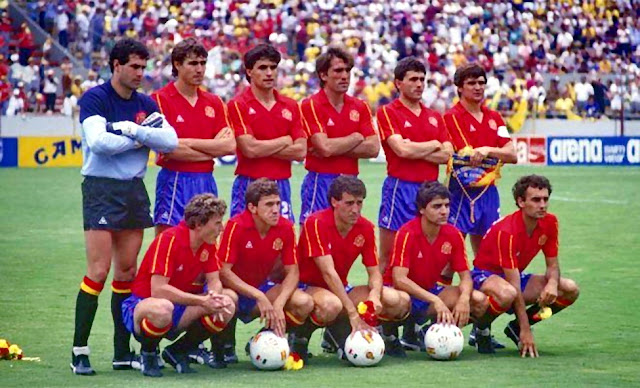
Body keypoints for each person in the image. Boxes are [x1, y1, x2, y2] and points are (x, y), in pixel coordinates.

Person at [71, 38, 178, 376]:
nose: (140, 73)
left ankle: (121, 351)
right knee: (98, 272)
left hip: (133, 189)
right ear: (116, 65)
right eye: (134, 66)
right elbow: (99, 143)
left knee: (127, 273)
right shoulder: (95, 98)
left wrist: (132, 130)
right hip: (101, 189)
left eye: (144, 67)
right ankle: (79, 351)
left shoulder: (146, 102)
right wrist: (141, 137)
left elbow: (170, 142)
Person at [376, 57, 452, 350]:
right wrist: (430, 147)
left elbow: (446, 153)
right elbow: (400, 149)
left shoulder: (435, 116)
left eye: (422, 79)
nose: (419, 85)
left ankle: (413, 326)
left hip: (430, 191)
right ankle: (385, 325)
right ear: (398, 83)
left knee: (428, 257)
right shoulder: (388, 112)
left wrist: (423, 149)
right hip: (399, 189)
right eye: (412, 79)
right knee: (390, 258)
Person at [293, 176, 411, 361]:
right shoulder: (316, 223)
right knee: (331, 305)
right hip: (307, 286)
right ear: (334, 202)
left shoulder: (365, 227)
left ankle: (386, 337)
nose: (355, 209)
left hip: (340, 289)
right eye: (349, 203)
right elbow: (328, 273)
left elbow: (374, 272)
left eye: (359, 203)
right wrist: (353, 312)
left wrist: (374, 294)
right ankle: (300, 337)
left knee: (398, 300)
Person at [442, 63, 517, 348]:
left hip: (488, 194)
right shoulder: (450, 117)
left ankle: (482, 329)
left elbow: (510, 153)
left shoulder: (494, 116)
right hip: (460, 195)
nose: (478, 87)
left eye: (482, 83)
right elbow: (451, 153)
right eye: (472, 83)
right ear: (459, 87)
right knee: (448, 259)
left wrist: (487, 150)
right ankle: (440, 321)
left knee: (488, 259)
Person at [123, 194, 236, 377]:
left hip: (181, 306)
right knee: (163, 308)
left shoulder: (208, 243)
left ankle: (178, 351)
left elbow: (214, 280)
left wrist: (214, 296)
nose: (221, 228)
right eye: (217, 223)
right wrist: (201, 301)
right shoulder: (169, 240)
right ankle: (149, 353)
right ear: (199, 224)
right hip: (143, 304)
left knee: (227, 304)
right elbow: (158, 290)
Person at [470, 175, 580, 356]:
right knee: (507, 293)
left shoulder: (550, 222)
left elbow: (553, 266)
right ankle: (482, 329)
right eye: (536, 200)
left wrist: (552, 284)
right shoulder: (507, 231)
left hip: (514, 277)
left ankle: (515, 327)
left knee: (569, 289)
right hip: (485, 276)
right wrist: (526, 330)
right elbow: (513, 285)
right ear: (520, 201)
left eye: (545, 199)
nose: (542, 205)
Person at [217, 179, 314, 366]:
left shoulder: (285, 227)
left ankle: (262, 340)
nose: (276, 209)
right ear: (252, 208)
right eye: (269, 204)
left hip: (261, 288)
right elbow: (224, 271)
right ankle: (223, 347)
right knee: (226, 299)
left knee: (304, 302)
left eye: (278, 203)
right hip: (234, 289)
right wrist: (258, 295)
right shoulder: (236, 225)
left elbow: (293, 271)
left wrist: (279, 302)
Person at [387, 181, 488, 350]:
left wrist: (463, 299)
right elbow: (399, 280)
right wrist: (435, 299)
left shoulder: (453, 234)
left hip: (429, 293)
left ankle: (427, 332)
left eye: (447, 205)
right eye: (437, 206)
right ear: (422, 209)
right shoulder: (407, 233)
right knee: (397, 300)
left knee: (478, 300)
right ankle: (388, 336)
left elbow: (465, 276)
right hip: (403, 294)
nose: (444, 211)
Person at [151, 38, 236, 236]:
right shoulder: (159, 100)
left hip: (206, 180)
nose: (199, 69)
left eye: (202, 63)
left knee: (207, 243)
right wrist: (211, 150)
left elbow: (229, 146)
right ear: (177, 65)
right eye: (192, 63)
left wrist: (186, 143)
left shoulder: (214, 102)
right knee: (168, 243)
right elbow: (169, 150)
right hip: (174, 181)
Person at [298, 47, 379, 224]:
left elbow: (373, 148)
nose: (345, 76)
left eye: (348, 71)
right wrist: (355, 138)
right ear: (323, 75)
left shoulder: (360, 106)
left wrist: (333, 147)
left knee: (344, 240)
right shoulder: (311, 105)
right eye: (338, 71)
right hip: (321, 180)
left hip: (351, 181)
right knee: (313, 235)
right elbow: (324, 148)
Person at [227, 43, 306, 222]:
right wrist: (285, 141)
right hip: (249, 184)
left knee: (281, 241)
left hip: (281, 185)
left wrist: (262, 145)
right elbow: (249, 149)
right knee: (243, 241)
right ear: (249, 71)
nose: (269, 73)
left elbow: (301, 152)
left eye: (273, 67)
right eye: (262, 68)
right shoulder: (238, 105)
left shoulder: (291, 106)